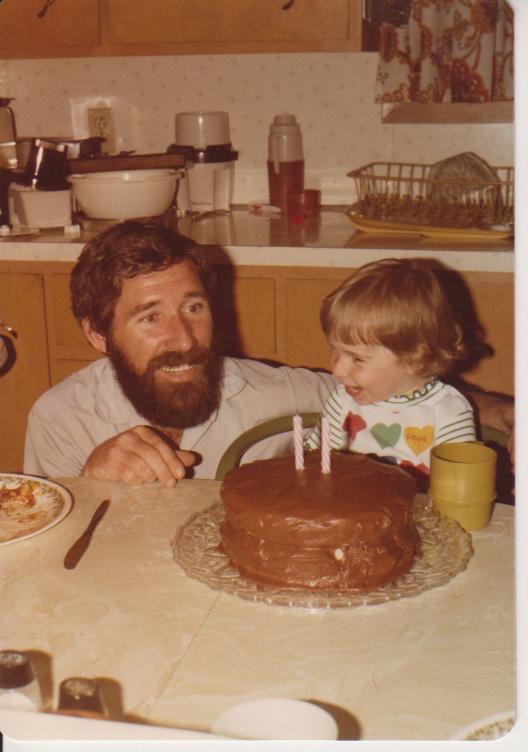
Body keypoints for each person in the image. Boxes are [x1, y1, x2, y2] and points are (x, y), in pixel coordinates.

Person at [23, 220, 335, 485]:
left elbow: (377, 402)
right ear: (98, 334)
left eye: (193, 308)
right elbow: (45, 551)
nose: (184, 341)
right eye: (150, 317)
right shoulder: (61, 421)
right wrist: (86, 486)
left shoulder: (276, 396)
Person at [305, 258, 477, 482]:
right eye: (335, 351)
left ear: (415, 359)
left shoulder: (446, 412)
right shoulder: (341, 401)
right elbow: (312, 464)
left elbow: (459, 492)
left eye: (357, 359)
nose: (338, 370)